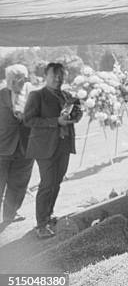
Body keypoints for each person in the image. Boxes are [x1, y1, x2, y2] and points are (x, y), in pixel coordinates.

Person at [23, 63, 83, 239]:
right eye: (54, 75)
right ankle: (41, 225)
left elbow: (75, 113)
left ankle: (48, 216)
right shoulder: (37, 95)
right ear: (45, 76)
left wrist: (76, 116)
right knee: (47, 184)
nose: (58, 79)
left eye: (61, 75)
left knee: (56, 183)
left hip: (63, 146)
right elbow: (28, 120)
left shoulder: (67, 95)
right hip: (44, 147)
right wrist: (56, 121)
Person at [0, 65, 33, 226]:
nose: (21, 82)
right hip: (2, 148)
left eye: (23, 78)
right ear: (9, 81)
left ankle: (9, 215)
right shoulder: (1, 95)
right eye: (17, 79)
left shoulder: (32, 95)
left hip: (25, 148)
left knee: (18, 184)